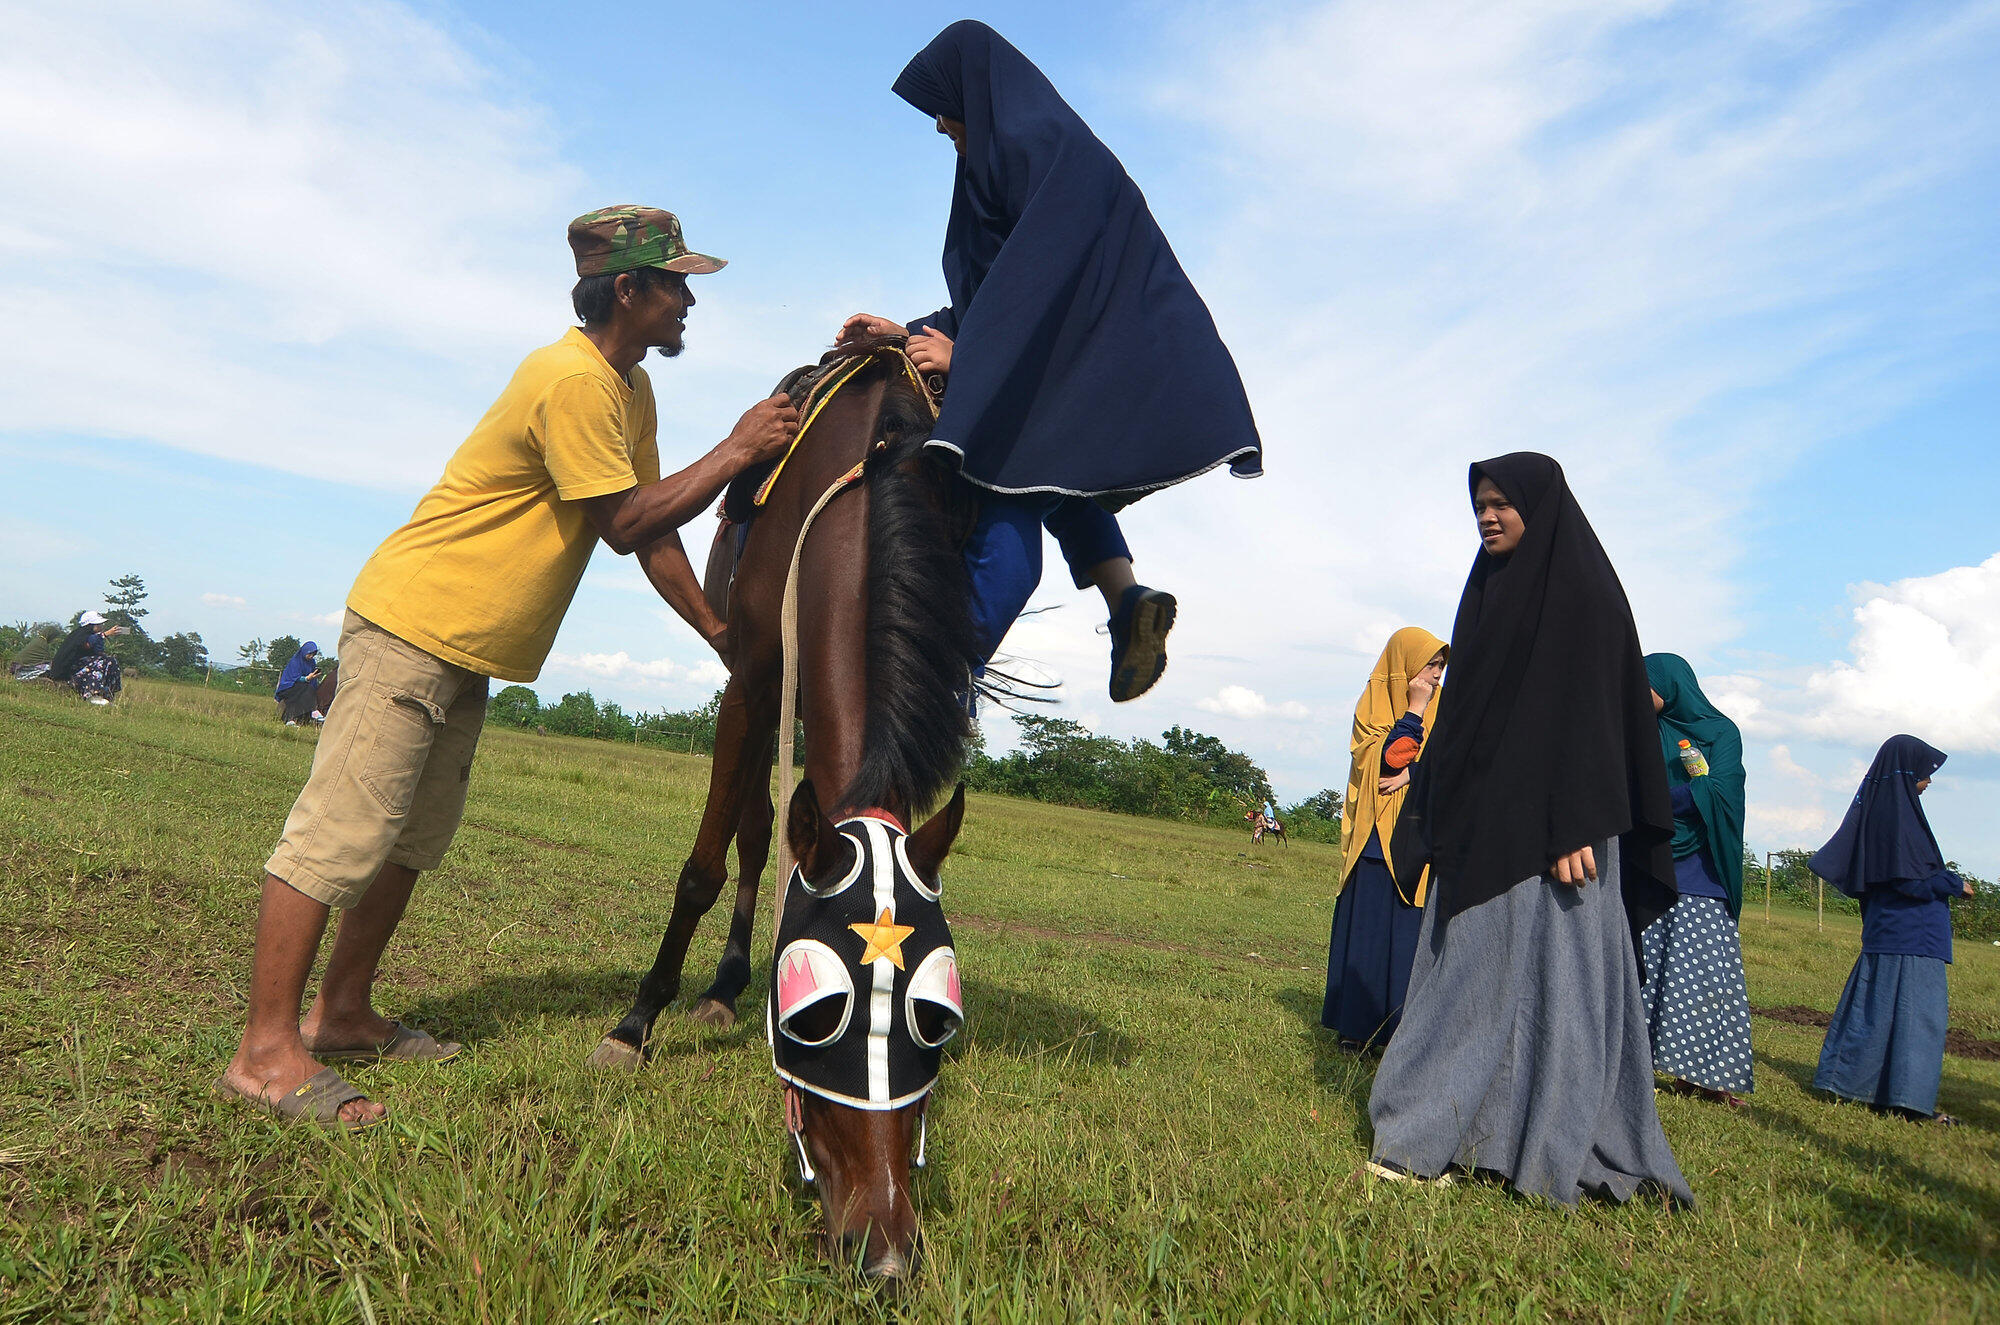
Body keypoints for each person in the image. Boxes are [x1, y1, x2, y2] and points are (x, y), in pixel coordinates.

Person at [217, 206, 799, 1130]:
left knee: (409, 840)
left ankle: (345, 1013)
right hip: (414, 623)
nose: (690, 300)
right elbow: (622, 523)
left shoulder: (629, 390)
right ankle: (264, 1052)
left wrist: (721, 632)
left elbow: (652, 530)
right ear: (628, 290)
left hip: (468, 649)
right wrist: (735, 450)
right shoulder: (568, 378)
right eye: (677, 283)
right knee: (339, 833)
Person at [837, 21, 1262, 702]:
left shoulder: (1047, 156)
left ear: (978, 96)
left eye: (949, 117)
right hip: (1045, 362)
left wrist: (968, 358)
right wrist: (906, 332)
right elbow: (992, 298)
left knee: (1006, 529)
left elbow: (1035, 299)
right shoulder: (1013, 164)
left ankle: (927, 698)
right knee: (1055, 473)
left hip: (1071, 361)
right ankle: (1125, 603)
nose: (943, 129)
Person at [1365, 453, 1692, 1208]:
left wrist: (1573, 817)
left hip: (1562, 833)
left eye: (1502, 503)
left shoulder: (1587, 595)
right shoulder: (1484, 594)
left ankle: (1530, 1139)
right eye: (1479, 503)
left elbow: (1592, 717)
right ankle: (1432, 1135)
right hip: (1484, 820)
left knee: (1558, 986)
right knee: (1466, 976)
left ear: (1541, 509)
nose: (1486, 515)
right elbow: (1475, 719)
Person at [1810, 735, 1971, 1126]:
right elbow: (1910, 880)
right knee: (1918, 1022)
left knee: (1877, 1014)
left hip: (1887, 932)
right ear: (1907, 771)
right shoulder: (1900, 817)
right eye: (1926, 772)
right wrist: (1954, 884)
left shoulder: (1883, 811)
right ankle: (1908, 1103)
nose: (1929, 781)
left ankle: (1848, 1083)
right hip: (1913, 937)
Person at [1322, 627, 1445, 1051]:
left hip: (1420, 839)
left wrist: (1417, 771)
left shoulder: (1444, 707)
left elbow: (1448, 762)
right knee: (1370, 932)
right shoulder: (1373, 703)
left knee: (1409, 939)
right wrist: (1414, 709)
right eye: (1429, 665)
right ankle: (1356, 1030)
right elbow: (1391, 757)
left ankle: (1399, 1035)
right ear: (1405, 665)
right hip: (1374, 839)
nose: (1435, 675)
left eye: (1441, 667)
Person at [1638, 653, 1753, 1107]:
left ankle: (1708, 1077)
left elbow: (1722, 788)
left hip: (1702, 870)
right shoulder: (1643, 732)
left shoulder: (1722, 732)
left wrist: (1657, 802)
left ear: (1669, 685)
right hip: (1650, 861)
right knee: (1647, 969)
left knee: (1705, 977)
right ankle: (1638, 1063)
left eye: (1641, 683)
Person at [50, 611, 126, 704]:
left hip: (81, 665)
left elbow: (98, 652)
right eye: (98, 624)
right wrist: (104, 634)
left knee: (110, 661)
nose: (101, 626)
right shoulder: (80, 635)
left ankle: (108, 694)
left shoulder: (95, 637)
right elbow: (87, 645)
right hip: (68, 669)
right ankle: (92, 694)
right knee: (101, 662)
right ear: (90, 625)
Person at [273, 641, 323, 725]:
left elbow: (311, 681)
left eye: (313, 655)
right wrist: (307, 678)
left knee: (307, 690)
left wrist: (313, 677)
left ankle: (291, 719)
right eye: (309, 654)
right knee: (304, 688)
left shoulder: (312, 662)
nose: (311, 657)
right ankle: (313, 710)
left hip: (303, 687)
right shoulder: (295, 661)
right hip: (288, 686)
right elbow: (294, 678)